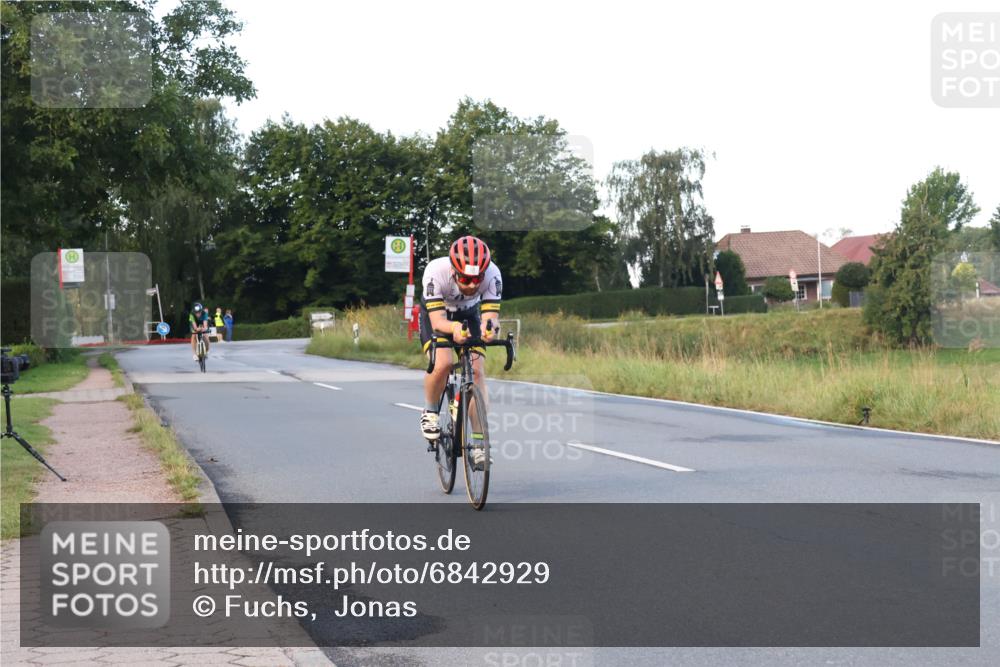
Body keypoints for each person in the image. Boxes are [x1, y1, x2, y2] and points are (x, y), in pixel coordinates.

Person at [418, 236, 502, 466]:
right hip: (437, 316)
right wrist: (453, 328)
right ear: (454, 270)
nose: (473, 284)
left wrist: (490, 329)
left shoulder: (493, 274)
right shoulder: (436, 271)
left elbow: (490, 318)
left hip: (468, 315)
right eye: (466, 278)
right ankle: (430, 411)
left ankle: (478, 445)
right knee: (443, 363)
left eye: (478, 278)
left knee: (476, 371)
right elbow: (437, 322)